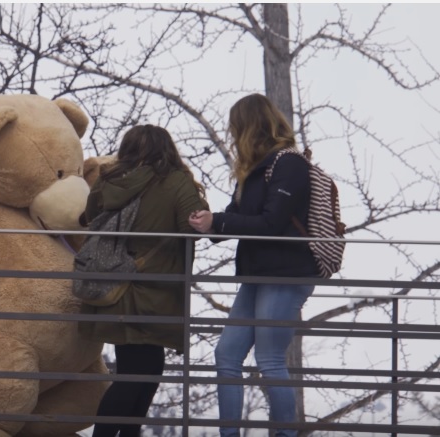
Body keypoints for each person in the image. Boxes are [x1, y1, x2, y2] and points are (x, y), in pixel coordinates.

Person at [188, 93, 316, 437]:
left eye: (235, 128)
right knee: (226, 355)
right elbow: (237, 217)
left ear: (248, 127)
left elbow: (271, 223)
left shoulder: (289, 164)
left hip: (286, 274)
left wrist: (219, 222)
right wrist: (207, 223)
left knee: (270, 360)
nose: (231, 135)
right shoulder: (256, 169)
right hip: (258, 274)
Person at [78, 124, 209, 437]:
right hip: (153, 290)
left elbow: (89, 217)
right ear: (167, 150)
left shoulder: (108, 180)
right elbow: (195, 227)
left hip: (111, 288)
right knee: (140, 375)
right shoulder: (176, 182)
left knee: (140, 372)